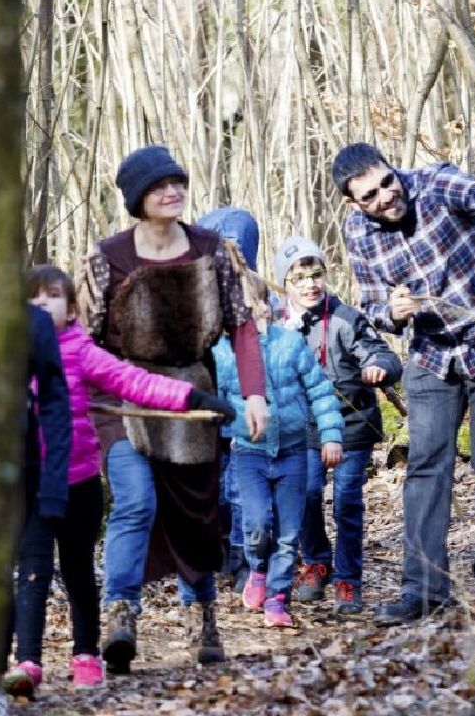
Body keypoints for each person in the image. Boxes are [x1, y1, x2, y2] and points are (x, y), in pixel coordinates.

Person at [331, 142, 475, 626]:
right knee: (426, 465)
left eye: (387, 182)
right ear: (354, 204)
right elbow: (372, 304)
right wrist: (390, 313)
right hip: (434, 353)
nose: (386, 196)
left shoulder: (432, 184)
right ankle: (424, 588)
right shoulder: (359, 233)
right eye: (370, 196)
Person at [2, 265, 235, 697]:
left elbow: (133, 380)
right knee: (31, 570)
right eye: (31, 298)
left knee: (77, 572)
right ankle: (28, 661)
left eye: (50, 296)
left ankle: (86, 654)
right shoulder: (10, 357)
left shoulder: (80, 351)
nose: (40, 305)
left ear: (72, 309)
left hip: (80, 485)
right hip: (31, 487)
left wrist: (190, 397)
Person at [83, 144, 270, 673]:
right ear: (137, 198)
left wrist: (254, 394)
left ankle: (202, 616)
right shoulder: (108, 257)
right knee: (137, 502)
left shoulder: (212, 250)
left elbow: (242, 325)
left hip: (193, 395)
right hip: (121, 395)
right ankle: (120, 615)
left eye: (178, 182)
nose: (173, 191)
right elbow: (87, 341)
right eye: (159, 185)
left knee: (195, 512)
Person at [272, 236, 402, 614]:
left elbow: (381, 353)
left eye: (317, 274)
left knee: (347, 500)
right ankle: (316, 561)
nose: (310, 284)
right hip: (304, 429)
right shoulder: (279, 325)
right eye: (299, 278)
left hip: (351, 426)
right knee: (307, 494)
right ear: (285, 284)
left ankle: (349, 578)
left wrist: (379, 368)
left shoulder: (345, 319)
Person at [213, 282, 345, 628]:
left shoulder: (289, 343)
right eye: (239, 308)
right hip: (249, 454)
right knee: (257, 526)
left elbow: (319, 389)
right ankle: (257, 569)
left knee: (287, 534)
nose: (251, 313)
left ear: (268, 305)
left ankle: (277, 598)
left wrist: (330, 435)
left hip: (292, 452)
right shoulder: (223, 352)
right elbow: (211, 396)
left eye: (256, 304)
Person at [0, 304, 70, 706]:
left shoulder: (32, 323)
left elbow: (56, 404)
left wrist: (55, 483)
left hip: (27, 471)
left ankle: (23, 664)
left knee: (30, 570)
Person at [195, 207, 262, 593]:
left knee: (239, 486)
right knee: (212, 486)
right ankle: (214, 551)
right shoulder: (197, 297)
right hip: (203, 408)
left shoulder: (257, 298)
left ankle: (241, 560)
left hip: (243, 410)